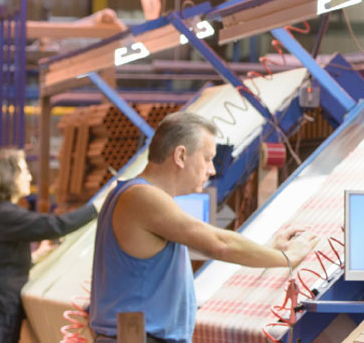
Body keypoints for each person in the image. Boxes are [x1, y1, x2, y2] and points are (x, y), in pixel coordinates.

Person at [88, 112, 318, 342]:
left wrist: (267, 249)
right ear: (180, 155)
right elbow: (220, 244)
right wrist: (287, 257)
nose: (212, 170)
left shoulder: (130, 194)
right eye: (207, 158)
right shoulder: (142, 197)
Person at [0, 149, 99, 343]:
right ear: (7, 176)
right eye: (23, 170)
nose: (29, 177)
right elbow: (56, 225)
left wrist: (33, 258)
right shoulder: (2, 214)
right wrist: (97, 207)